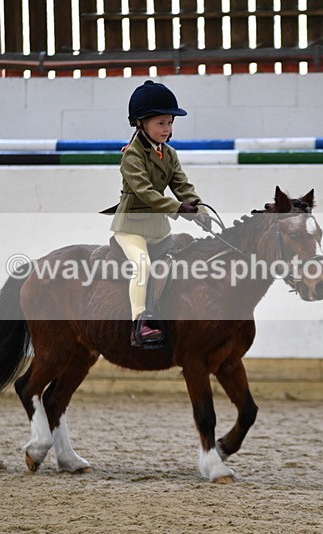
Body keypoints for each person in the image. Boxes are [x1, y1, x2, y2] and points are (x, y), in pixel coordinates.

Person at [108, 80, 211, 348]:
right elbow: (144, 192)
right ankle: (139, 323)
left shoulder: (170, 154)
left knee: (186, 261)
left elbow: (182, 185)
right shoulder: (132, 156)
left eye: (169, 123)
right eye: (161, 124)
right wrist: (178, 208)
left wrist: (198, 208)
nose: (167, 129)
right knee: (142, 265)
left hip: (159, 229)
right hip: (131, 228)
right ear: (140, 124)